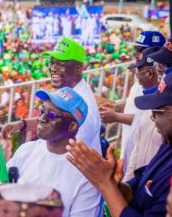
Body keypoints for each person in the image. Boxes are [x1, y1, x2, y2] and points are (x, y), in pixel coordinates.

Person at [66, 68, 172, 216]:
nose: (152, 118)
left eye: (158, 112)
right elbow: (142, 185)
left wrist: (105, 183)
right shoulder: (170, 147)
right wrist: (114, 183)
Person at [6, 87, 101, 217]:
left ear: (72, 126)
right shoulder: (25, 151)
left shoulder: (87, 174)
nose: (42, 118)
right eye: (41, 111)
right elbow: (1, 189)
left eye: (52, 115)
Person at [2, 37, 102, 152]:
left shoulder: (83, 108)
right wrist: (21, 125)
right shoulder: (68, 88)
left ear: (77, 69)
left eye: (60, 64)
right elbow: (52, 118)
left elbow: (70, 154)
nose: (53, 68)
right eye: (52, 63)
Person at [99, 31, 166, 161]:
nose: (136, 53)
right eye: (136, 48)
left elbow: (148, 119)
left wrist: (116, 116)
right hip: (130, 145)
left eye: (141, 49)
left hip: (143, 151)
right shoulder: (141, 73)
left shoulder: (158, 81)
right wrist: (116, 107)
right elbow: (134, 103)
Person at [122, 46, 162, 180]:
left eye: (138, 72)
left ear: (150, 73)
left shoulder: (169, 112)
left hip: (153, 185)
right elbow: (137, 147)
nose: (137, 78)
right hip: (140, 182)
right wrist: (128, 182)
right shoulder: (147, 102)